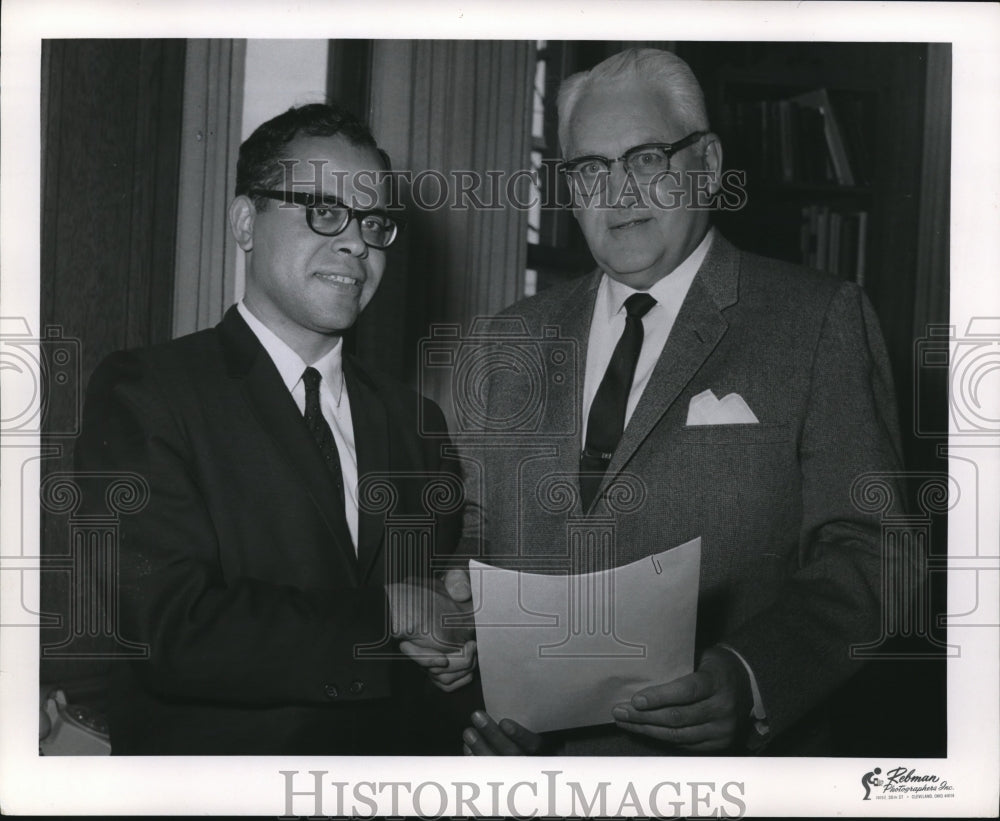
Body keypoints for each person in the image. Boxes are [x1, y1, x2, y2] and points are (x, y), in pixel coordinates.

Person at [455, 48, 904, 756]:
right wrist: (456, 634)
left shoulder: (816, 320)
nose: (618, 192)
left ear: (709, 163)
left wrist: (751, 675)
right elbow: (470, 534)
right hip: (525, 767)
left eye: (646, 158)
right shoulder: (509, 334)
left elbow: (874, 552)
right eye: (591, 168)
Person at [74, 103, 473, 755]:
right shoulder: (148, 393)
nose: (355, 242)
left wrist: (458, 647)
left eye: (373, 221)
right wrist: (391, 613)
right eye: (322, 210)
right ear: (244, 223)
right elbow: (172, 629)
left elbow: (431, 610)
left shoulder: (414, 422)